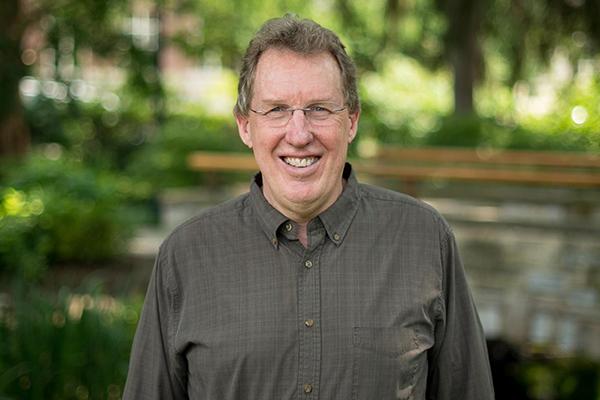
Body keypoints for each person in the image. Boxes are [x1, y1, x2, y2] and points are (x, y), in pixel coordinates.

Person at [123, 15, 494, 400]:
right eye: (276, 109)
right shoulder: (186, 255)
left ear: (351, 121)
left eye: (319, 109)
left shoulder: (423, 239)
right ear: (245, 126)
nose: (299, 135)